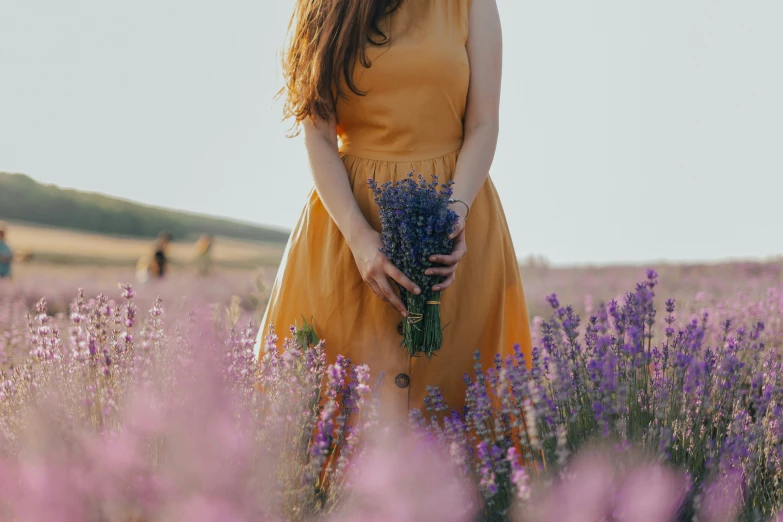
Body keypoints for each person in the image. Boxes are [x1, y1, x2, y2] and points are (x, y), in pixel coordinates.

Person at [256, 0, 532, 416]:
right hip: (348, 225)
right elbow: (317, 131)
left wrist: (452, 215)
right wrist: (360, 238)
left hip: (457, 215)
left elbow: (482, 123)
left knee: (465, 418)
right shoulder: (325, 6)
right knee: (329, 422)